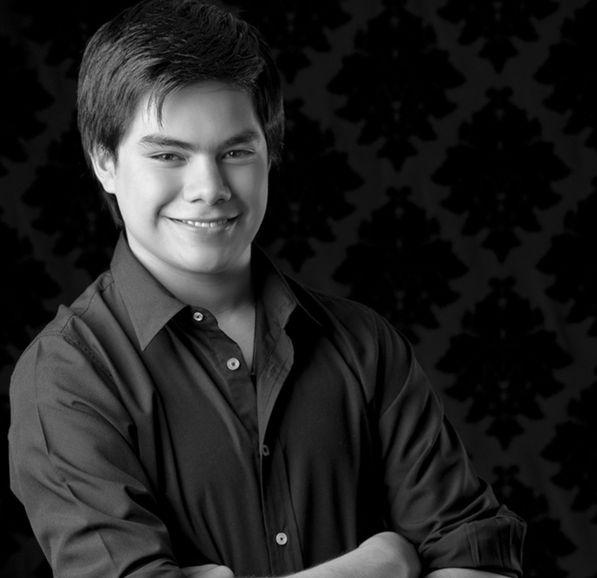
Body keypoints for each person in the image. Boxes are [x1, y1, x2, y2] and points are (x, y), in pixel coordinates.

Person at [7, 0, 526, 576]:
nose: (209, 188)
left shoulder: (366, 344)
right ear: (104, 162)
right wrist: (384, 563)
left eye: (235, 152)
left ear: (269, 154)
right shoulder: (67, 375)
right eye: (168, 155)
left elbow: (474, 551)